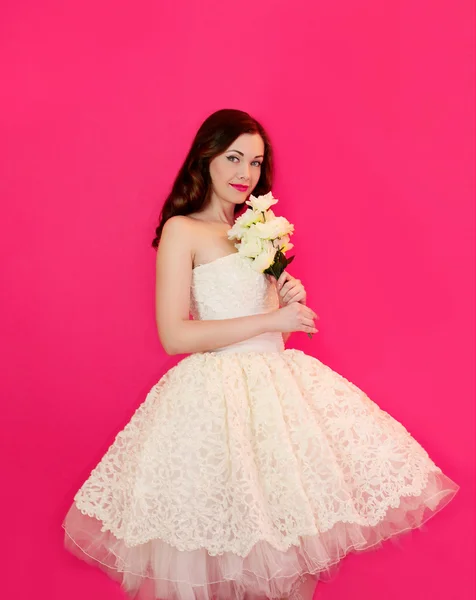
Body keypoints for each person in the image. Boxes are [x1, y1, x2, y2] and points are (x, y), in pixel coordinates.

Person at [62, 108, 460, 600]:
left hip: (276, 398)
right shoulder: (182, 230)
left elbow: (267, 327)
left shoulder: (257, 229)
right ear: (205, 157)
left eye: (255, 162)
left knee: (290, 559)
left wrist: (284, 300)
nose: (244, 173)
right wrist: (272, 320)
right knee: (219, 551)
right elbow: (174, 336)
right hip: (214, 403)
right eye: (233, 157)